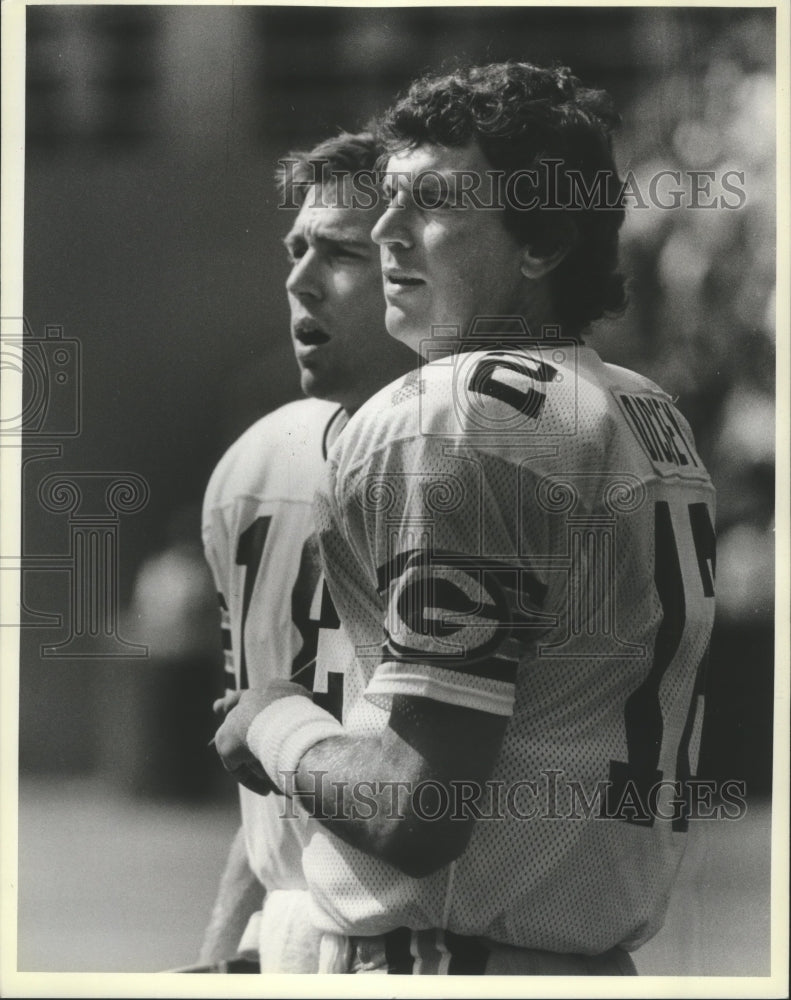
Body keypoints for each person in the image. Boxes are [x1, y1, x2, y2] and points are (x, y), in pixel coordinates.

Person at [215, 62, 716, 975]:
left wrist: (271, 721)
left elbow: (417, 808)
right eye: (389, 198)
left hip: (445, 959)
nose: (385, 230)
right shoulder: (645, 409)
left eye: (432, 203)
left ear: (541, 243)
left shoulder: (462, 415)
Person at [198, 131, 417, 971]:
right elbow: (267, 796)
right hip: (293, 937)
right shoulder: (259, 463)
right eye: (295, 248)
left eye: (339, 252)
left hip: (434, 938)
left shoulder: (482, 461)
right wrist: (219, 950)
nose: (298, 278)